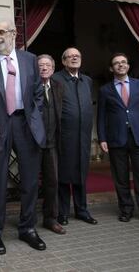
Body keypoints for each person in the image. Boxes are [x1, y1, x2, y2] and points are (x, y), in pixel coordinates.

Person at [0, 19, 46, 252]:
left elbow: (37, 93)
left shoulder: (29, 60)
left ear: (14, 34)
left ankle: (27, 229)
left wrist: (35, 118)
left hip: (25, 124)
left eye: (2, 32)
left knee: (30, 181)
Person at [97, 53, 139, 225]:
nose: (120, 65)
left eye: (123, 62)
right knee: (120, 177)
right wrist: (102, 138)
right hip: (116, 139)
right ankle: (126, 209)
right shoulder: (105, 90)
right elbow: (101, 117)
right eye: (116, 63)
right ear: (111, 68)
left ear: (128, 66)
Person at [53, 47, 97, 226]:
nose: (74, 58)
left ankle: (82, 210)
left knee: (81, 173)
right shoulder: (56, 79)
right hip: (64, 136)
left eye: (77, 56)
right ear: (63, 61)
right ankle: (62, 212)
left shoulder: (87, 80)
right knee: (64, 175)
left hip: (83, 136)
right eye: (70, 56)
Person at [37, 54, 66, 234]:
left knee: (52, 181)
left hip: (52, 143)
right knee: (30, 183)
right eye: (41, 65)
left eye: (48, 65)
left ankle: (50, 218)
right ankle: (28, 219)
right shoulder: (29, 87)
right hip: (33, 144)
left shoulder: (58, 87)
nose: (44, 68)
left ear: (53, 69)